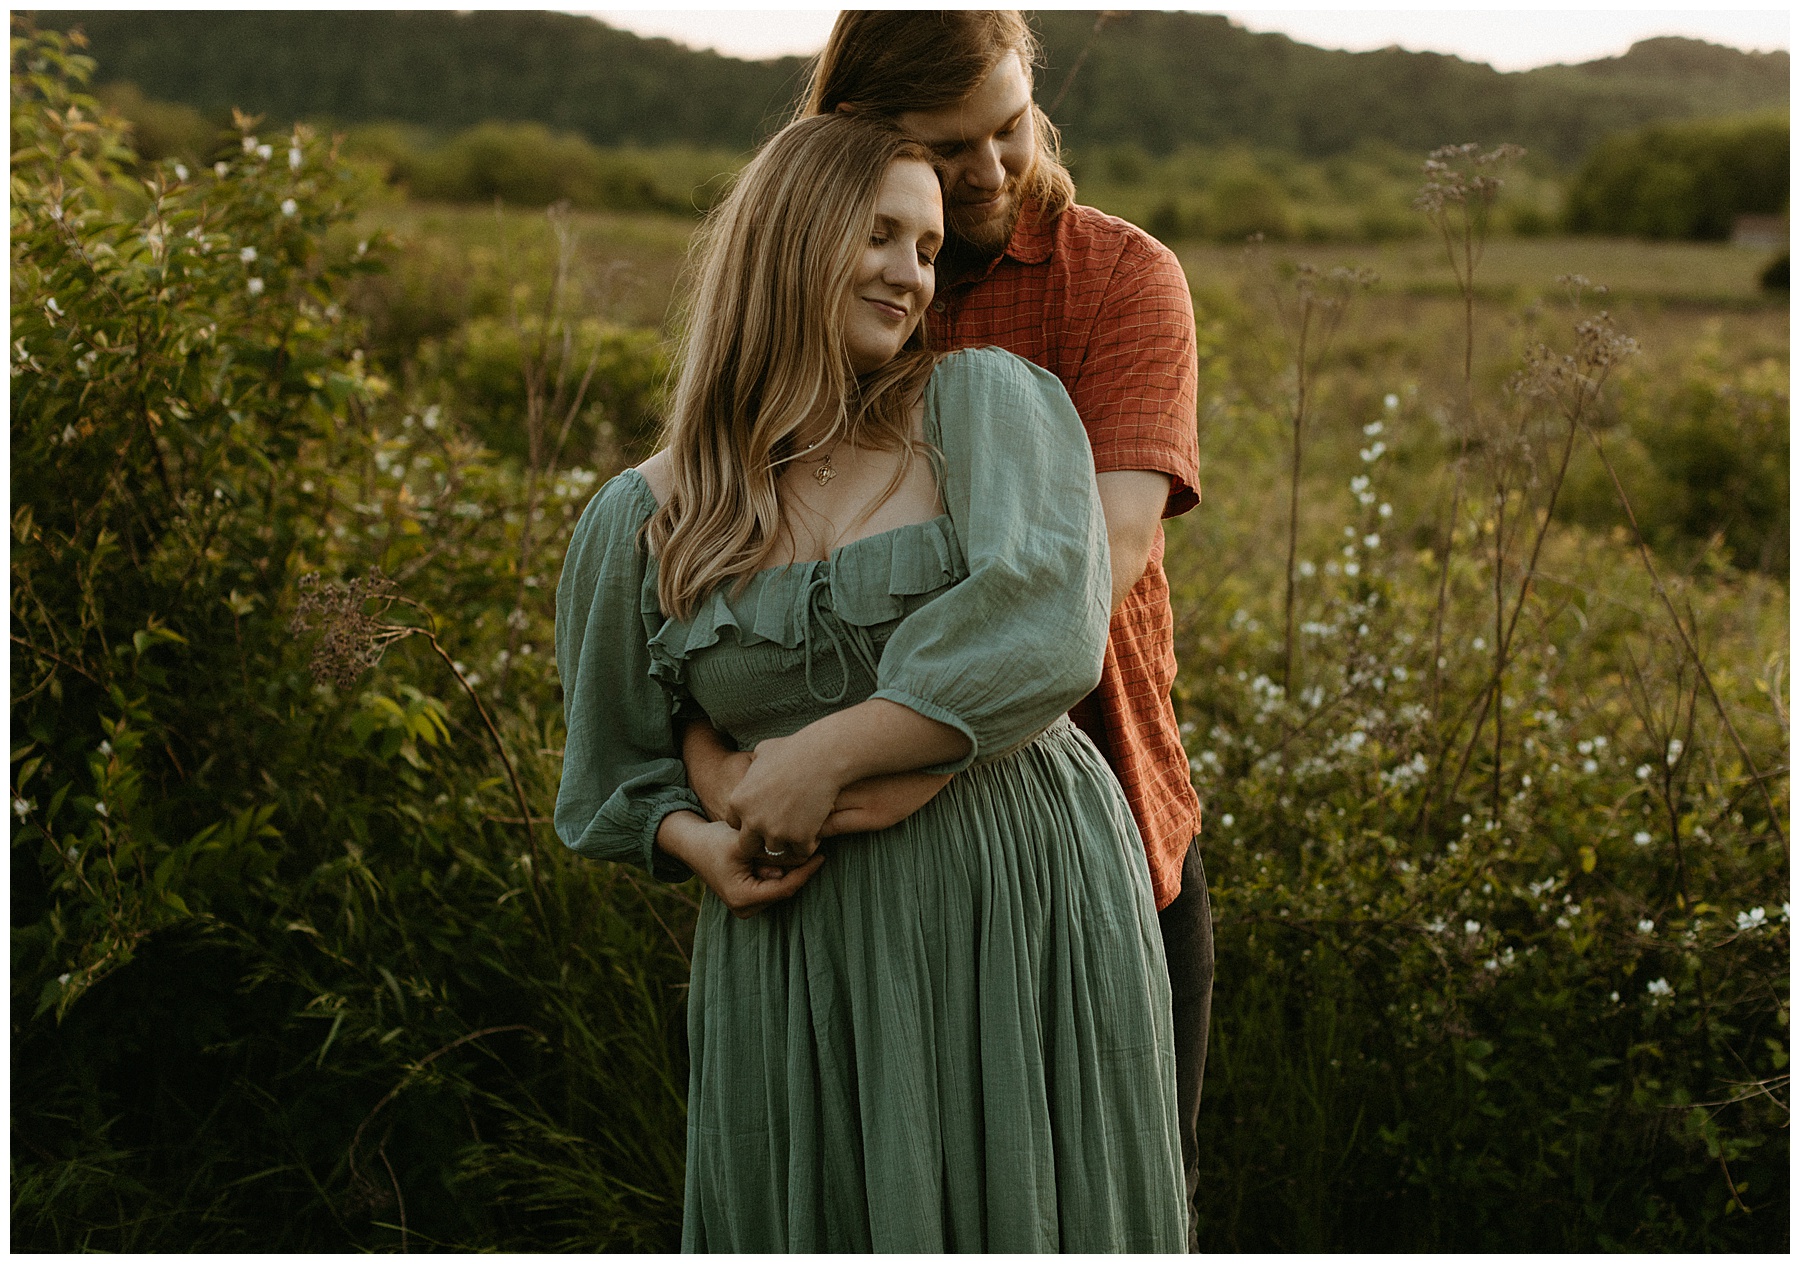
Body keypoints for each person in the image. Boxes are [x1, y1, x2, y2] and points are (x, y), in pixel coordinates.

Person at [554, 111, 1186, 1251]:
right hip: (800, 950)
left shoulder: (986, 409)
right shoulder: (642, 518)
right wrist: (711, 844)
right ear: (791, 238)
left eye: (932, 249)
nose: (912, 276)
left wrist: (826, 758)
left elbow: (1049, 628)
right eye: (883, 235)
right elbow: (617, 763)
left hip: (1020, 906)